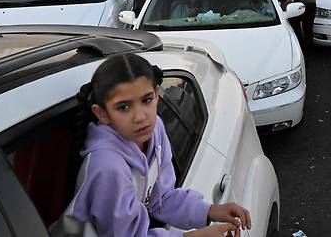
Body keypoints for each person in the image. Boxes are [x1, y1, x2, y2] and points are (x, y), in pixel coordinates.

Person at [50, 53, 250, 237]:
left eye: (146, 100)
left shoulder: (155, 130)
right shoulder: (106, 167)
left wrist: (210, 211)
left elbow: (160, 198)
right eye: (124, 107)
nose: (140, 117)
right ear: (102, 113)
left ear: (156, 94)